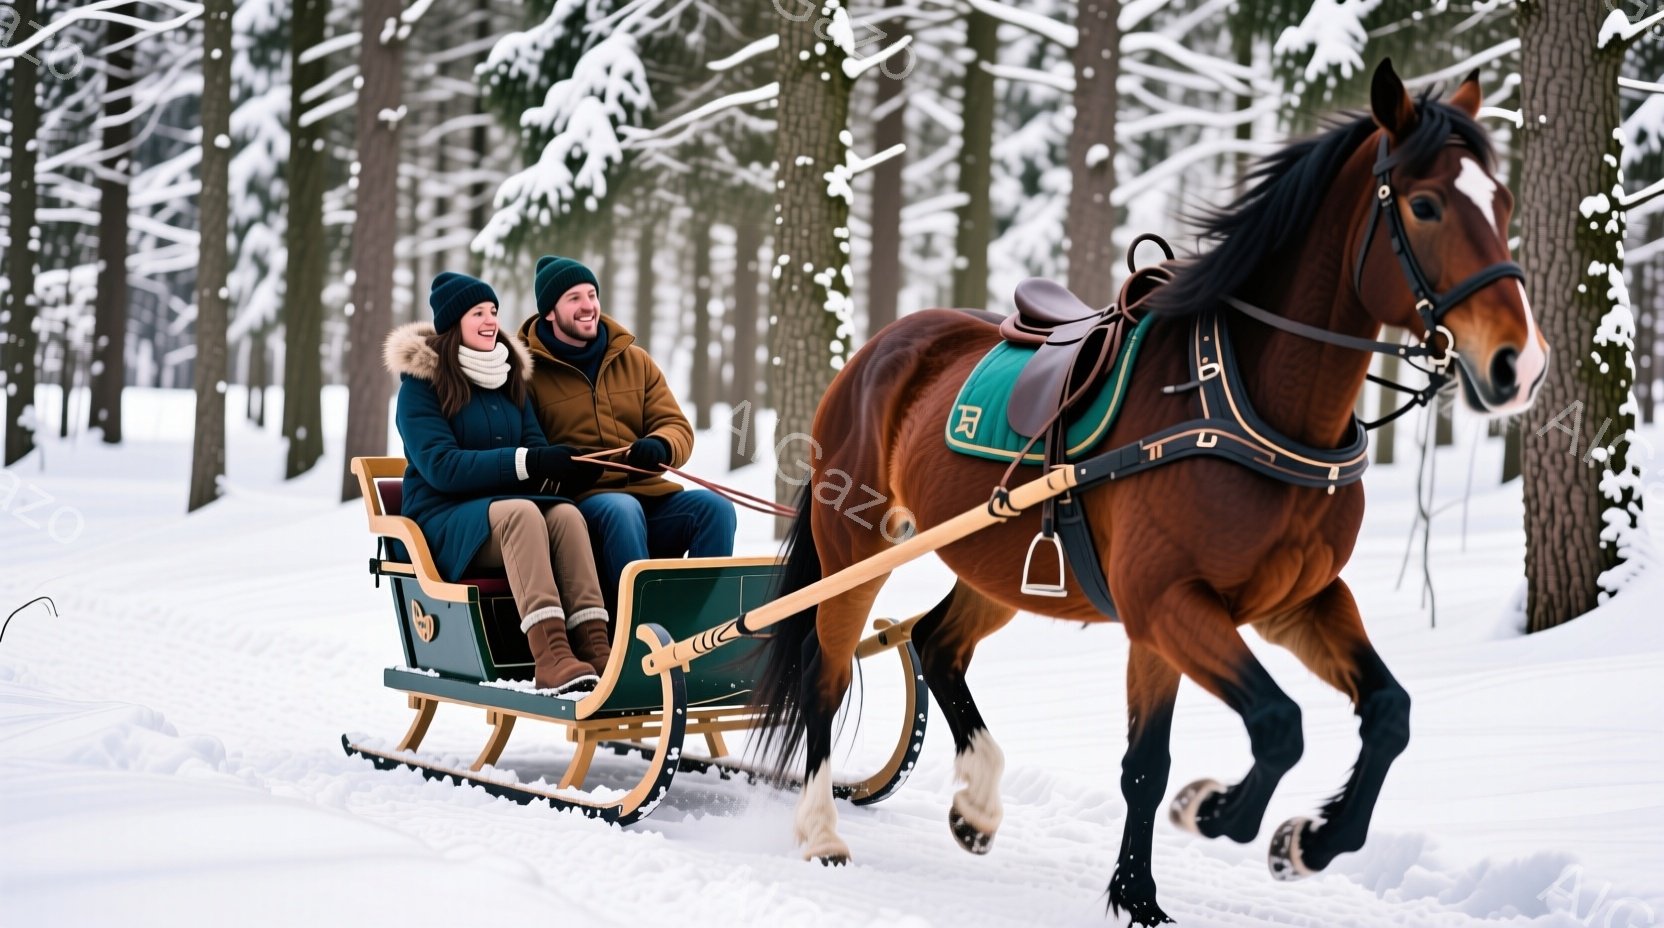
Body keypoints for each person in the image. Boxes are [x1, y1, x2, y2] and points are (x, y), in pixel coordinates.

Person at [386, 270, 615, 694]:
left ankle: (597, 647)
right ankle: (551, 655)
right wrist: (529, 461)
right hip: (444, 520)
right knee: (521, 514)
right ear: (454, 324)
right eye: (478, 313)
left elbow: (534, 452)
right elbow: (443, 467)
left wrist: (565, 468)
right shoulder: (421, 387)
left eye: (493, 311)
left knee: (565, 514)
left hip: (504, 513)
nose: (491, 320)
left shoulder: (510, 377)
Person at [517, 256, 737, 614]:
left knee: (715, 509)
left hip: (650, 498)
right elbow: (527, 449)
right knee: (622, 508)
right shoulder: (527, 374)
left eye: (592, 294)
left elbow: (676, 426)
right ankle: (638, 628)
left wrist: (661, 444)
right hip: (582, 508)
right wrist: (563, 469)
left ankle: (698, 625)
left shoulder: (636, 361)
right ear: (550, 313)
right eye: (574, 298)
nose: (588, 305)